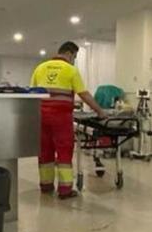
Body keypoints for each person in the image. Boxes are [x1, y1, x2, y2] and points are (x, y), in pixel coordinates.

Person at [30, 41, 106, 199]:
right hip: (61, 117)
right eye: (75, 57)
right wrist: (99, 111)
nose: (74, 60)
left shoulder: (40, 67)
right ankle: (64, 190)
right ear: (70, 53)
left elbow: (32, 93)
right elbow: (83, 94)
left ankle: (46, 185)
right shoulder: (71, 70)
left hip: (41, 116)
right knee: (64, 151)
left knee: (44, 151)